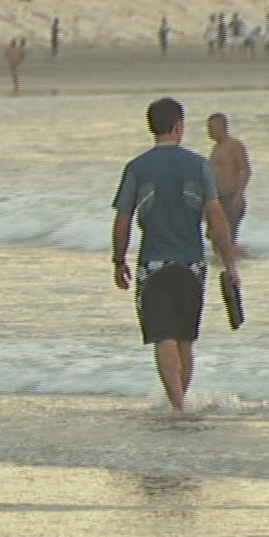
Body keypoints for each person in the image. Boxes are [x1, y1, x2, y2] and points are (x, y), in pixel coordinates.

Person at [110, 98, 243, 414]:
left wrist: (119, 261)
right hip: (191, 263)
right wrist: (229, 264)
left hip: (153, 264)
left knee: (163, 337)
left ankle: (178, 405)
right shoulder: (199, 166)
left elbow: (123, 220)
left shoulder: (137, 168)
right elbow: (216, 218)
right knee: (185, 339)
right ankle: (180, 405)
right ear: (179, 126)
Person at [205, 113, 252, 247]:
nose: (209, 131)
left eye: (211, 127)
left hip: (231, 197)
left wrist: (239, 195)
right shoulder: (216, 148)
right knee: (214, 237)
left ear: (222, 127)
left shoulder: (234, 145)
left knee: (227, 240)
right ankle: (224, 260)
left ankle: (242, 259)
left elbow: (245, 170)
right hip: (217, 199)